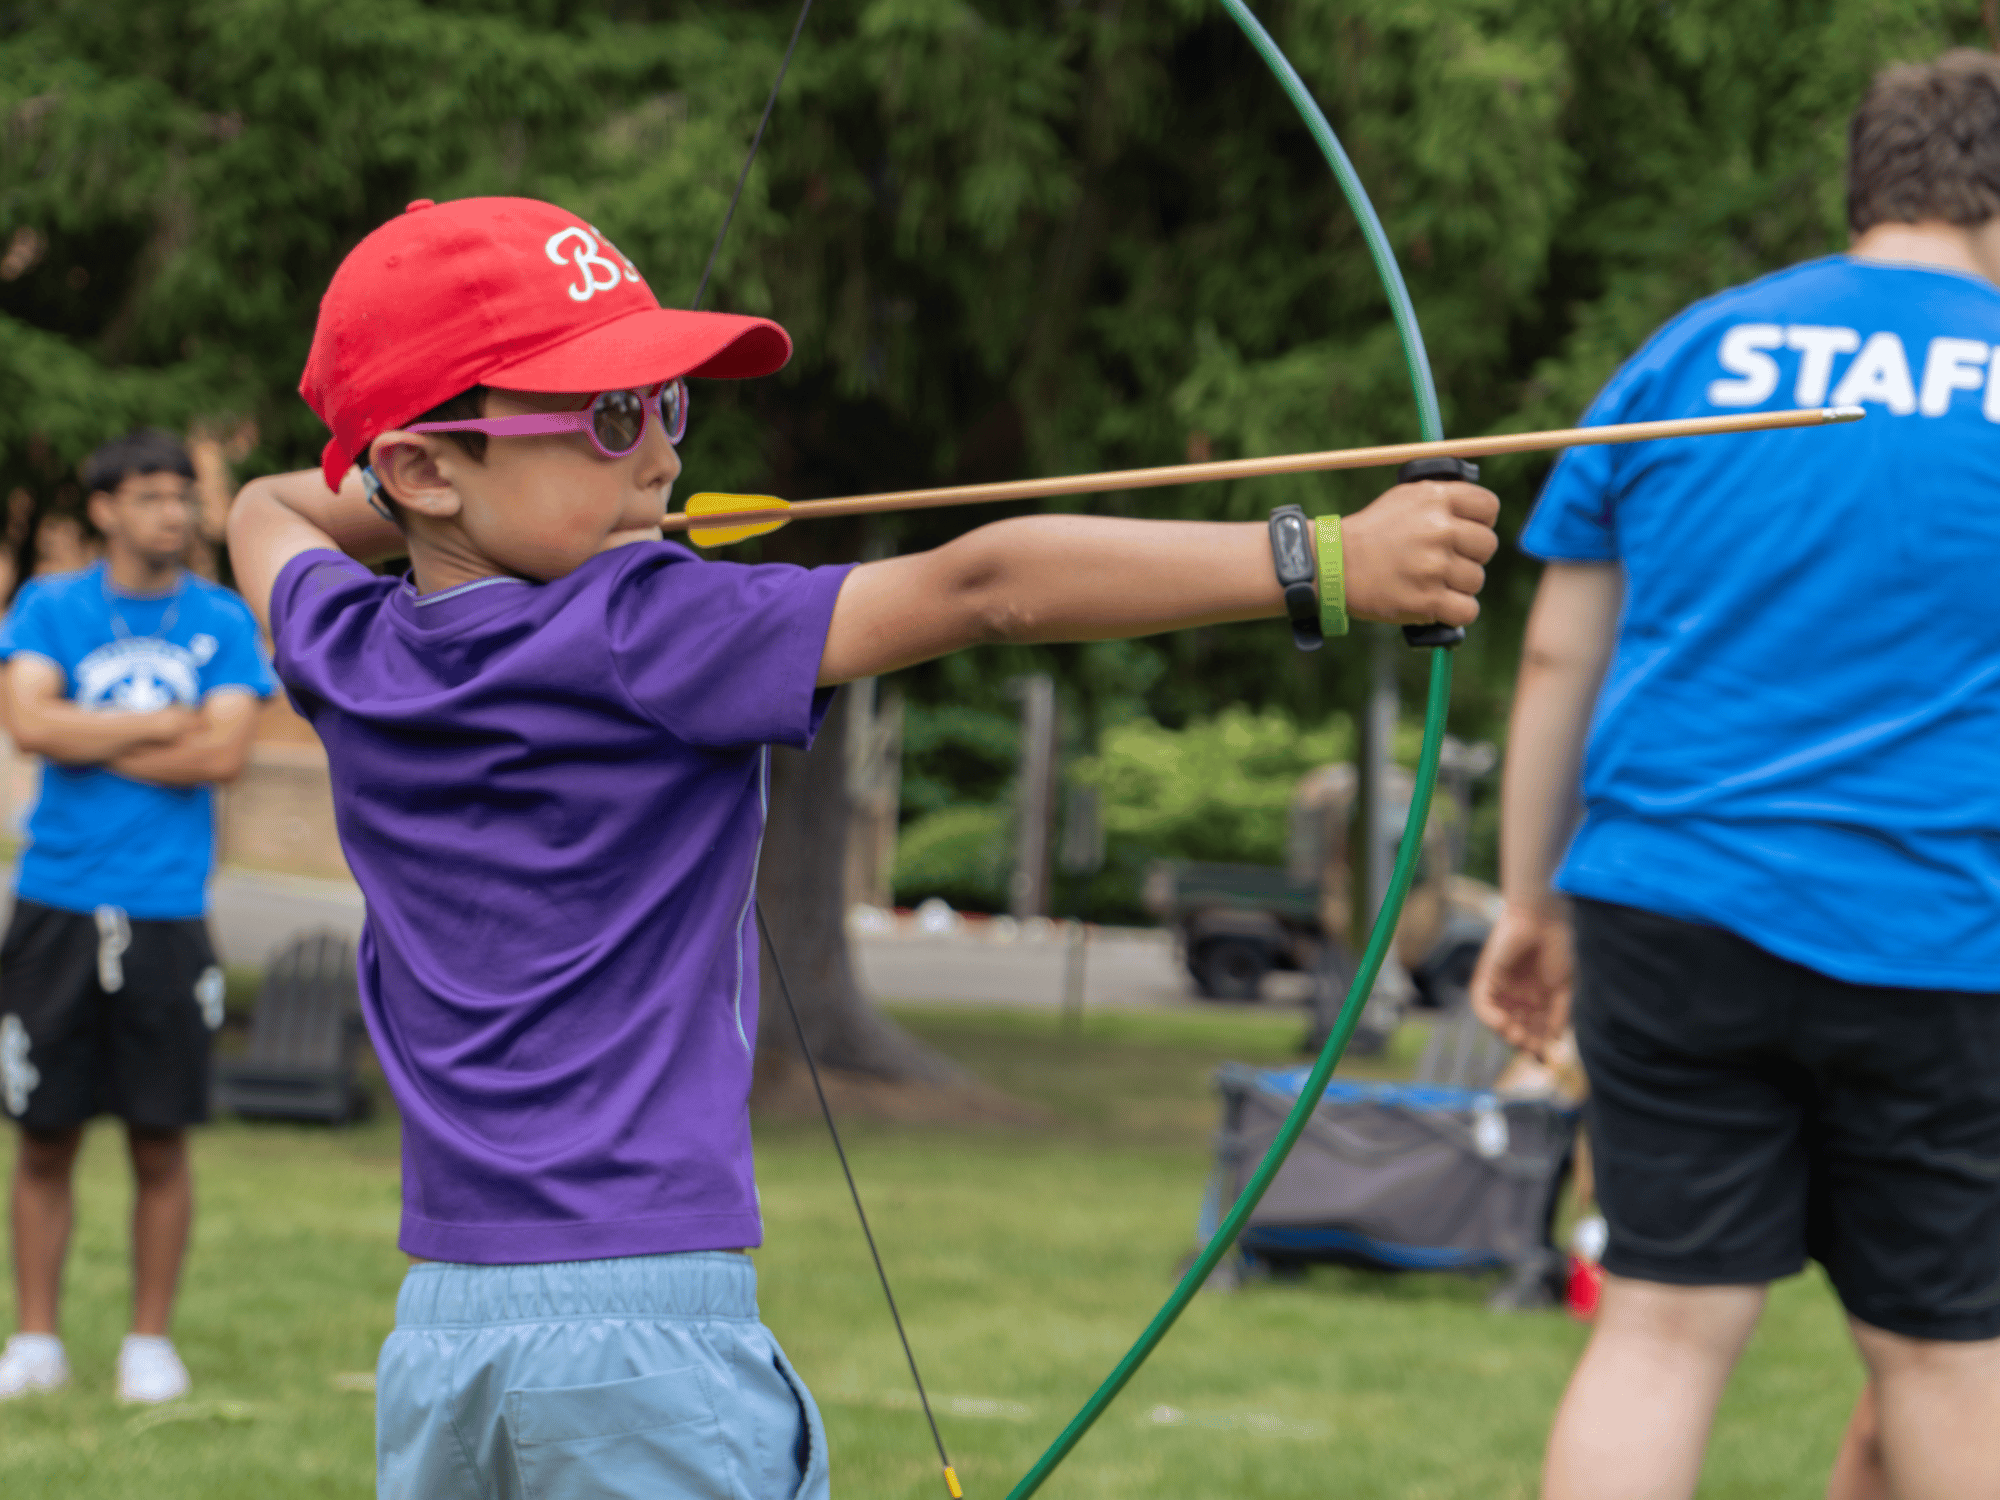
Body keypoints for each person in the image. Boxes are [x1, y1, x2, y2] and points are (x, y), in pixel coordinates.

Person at [224, 193, 1499, 1498]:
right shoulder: (643, 621)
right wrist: (1329, 561)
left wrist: (458, 501)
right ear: (434, 464)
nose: (659, 461)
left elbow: (271, 505)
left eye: (668, 407)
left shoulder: (343, 649)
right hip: (646, 1329)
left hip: (445, 1339)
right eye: (608, 418)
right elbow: (984, 590)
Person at [1470, 49, 2000, 1500]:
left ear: (1866, 185)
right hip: (1946, 923)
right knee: (1948, 1356)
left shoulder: (1691, 353)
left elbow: (1556, 663)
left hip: (1671, 895)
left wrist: (1530, 903)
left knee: (1660, 1331)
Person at [0, 428, 274, 1402]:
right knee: (44, 1133)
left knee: (160, 1136)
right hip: (56, 904)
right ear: (106, 508)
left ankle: (147, 1344)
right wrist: (167, 720)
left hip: (167, 910)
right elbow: (28, 724)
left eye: (184, 498)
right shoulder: (51, 604)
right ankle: (35, 1340)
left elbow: (222, 757)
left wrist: (89, 734)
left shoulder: (223, 620)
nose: (177, 514)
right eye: (154, 496)